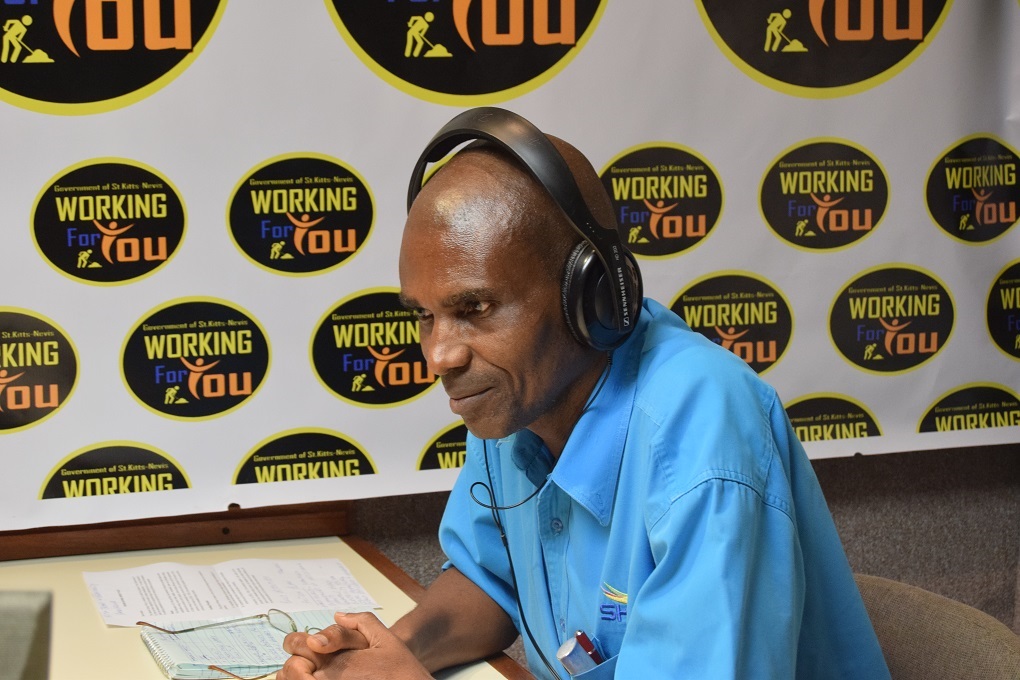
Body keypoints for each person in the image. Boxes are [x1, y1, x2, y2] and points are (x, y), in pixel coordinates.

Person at [279, 109, 889, 679]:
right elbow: (491, 579)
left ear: (591, 297)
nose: (440, 356)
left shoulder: (702, 428)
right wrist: (387, 654)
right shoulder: (513, 395)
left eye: (475, 308)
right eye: (424, 316)